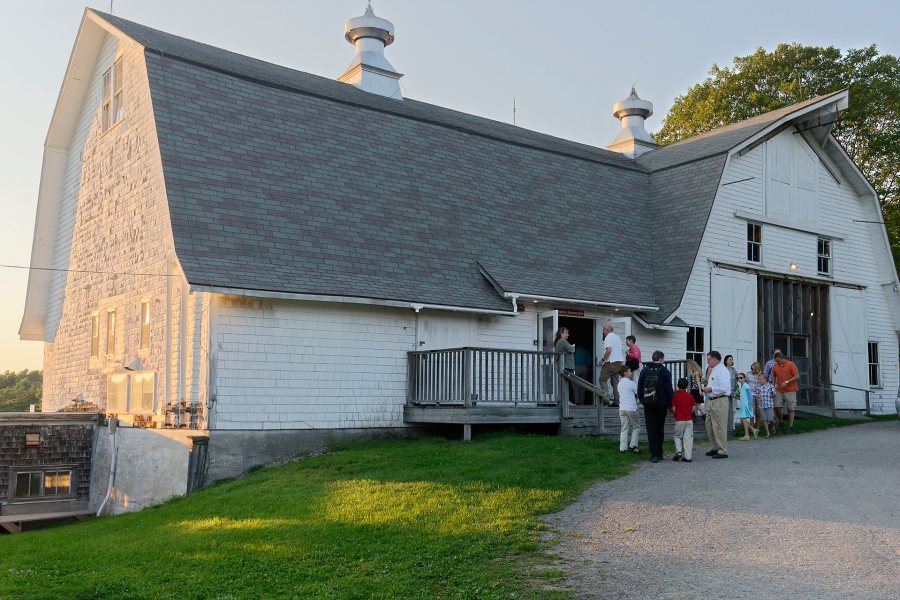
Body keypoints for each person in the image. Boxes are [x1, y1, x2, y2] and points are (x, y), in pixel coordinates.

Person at [637, 350, 673, 463]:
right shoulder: (665, 371)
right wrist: (669, 404)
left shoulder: (644, 371)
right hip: (661, 404)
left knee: (651, 428)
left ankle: (653, 453)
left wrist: (643, 400)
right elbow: (669, 390)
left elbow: (639, 388)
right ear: (661, 359)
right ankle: (659, 452)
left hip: (648, 404)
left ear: (653, 358)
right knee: (659, 428)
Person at [702, 351, 731, 459]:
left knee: (719, 426)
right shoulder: (714, 370)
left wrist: (711, 389)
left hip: (720, 400)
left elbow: (724, 387)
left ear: (715, 359)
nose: (707, 361)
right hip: (711, 400)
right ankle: (715, 447)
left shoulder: (722, 370)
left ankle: (722, 450)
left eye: (709, 359)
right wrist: (706, 389)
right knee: (709, 424)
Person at [772, 351, 800, 433]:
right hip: (779, 390)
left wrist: (787, 382)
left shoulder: (791, 364)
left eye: (778, 361)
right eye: (776, 361)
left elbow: (797, 376)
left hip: (790, 390)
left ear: (782, 358)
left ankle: (790, 427)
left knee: (790, 409)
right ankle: (780, 421)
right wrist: (773, 386)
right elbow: (774, 375)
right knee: (777, 406)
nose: (776, 362)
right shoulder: (775, 365)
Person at [599, 324, 625, 407]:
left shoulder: (608, 337)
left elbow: (609, 350)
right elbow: (621, 351)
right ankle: (617, 402)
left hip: (611, 362)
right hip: (619, 362)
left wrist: (602, 360)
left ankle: (606, 400)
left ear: (607, 330)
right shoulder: (617, 338)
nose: (603, 332)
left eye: (603, 330)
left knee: (602, 379)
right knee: (615, 383)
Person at [617, 365, 641, 454]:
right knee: (636, 427)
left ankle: (622, 448)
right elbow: (637, 394)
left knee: (624, 428)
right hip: (631, 408)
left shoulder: (619, 383)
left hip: (622, 408)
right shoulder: (631, 383)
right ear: (625, 373)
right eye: (629, 371)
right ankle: (633, 445)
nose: (631, 373)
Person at [671, 377, 695, 462]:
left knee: (677, 436)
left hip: (679, 419)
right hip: (689, 419)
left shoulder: (675, 396)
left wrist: (676, 414)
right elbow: (693, 407)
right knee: (688, 438)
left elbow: (673, 408)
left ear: (677, 386)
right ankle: (688, 457)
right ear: (687, 386)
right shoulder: (690, 396)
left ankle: (679, 452)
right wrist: (689, 413)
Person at [554, 327, 576, 404]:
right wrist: (573, 347)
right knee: (567, 385)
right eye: (566, 333)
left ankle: (562, 400)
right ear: (561, 334)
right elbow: (572, 349)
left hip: (565, 366)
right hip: (566, 366)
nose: (568, 335)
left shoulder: (561, 341)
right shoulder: (563, 341)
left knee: (564, 384)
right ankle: (566, 401)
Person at [735, 372, 758, 440]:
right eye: (738, 378)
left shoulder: (746, 386)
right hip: (742, 405)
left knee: (744, 420)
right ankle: (753, 429)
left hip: (746, 405)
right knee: (742, 420)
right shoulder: (741, 386)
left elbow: (750, 396)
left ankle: (747, 435)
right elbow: (742, 396)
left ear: (744, 378)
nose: (739, 379)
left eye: (741, 377)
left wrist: (750, 405)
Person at [754, 373, 775, 438]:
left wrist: (773, 394)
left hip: (769, 405)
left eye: (760, 380)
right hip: (762, 406)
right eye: (758, 380)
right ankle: (768, 433)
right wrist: (758, 405)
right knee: (765, 420)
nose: (759, 381)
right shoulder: (759, 387)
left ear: (765, 379)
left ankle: (773, 426)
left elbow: (774, 394)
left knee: (770, 419)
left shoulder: (770, 386)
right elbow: (758, 397)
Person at [724, 354, 738, 432]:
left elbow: (737, 380)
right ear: (726, 361)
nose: (731, 361)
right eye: (729, 359)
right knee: (726, 409)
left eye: (732, 359)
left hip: (733, 391)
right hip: (726, 392)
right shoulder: (724, 369)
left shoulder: (733, 370)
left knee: (733, 409)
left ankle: (732, 426)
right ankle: (726, 426)